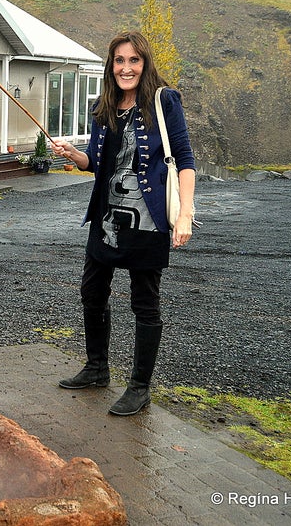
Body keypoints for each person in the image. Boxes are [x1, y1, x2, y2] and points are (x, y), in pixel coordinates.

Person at [50, 30, 196, 416]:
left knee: (144, 304)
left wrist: (185, 214)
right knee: (92, 293)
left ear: (144, 64)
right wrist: (74, 154)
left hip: (147, 220)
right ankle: (97, 368)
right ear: (110, 65)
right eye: (119, 60)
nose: (126, 68)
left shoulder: (163, 102)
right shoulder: (104, 106)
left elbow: (184, 159)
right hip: (106, 217)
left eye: (134, 60)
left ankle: (139, 387)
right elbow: (98, 164)